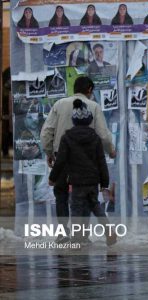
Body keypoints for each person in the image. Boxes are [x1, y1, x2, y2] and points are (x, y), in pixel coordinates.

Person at [40, 76, 115, 244]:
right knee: (88, 198)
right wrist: (111, 150)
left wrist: (49, 152)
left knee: (61, 195)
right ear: (89, 90)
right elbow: (103, 134)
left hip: (63, 157)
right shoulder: (94, 106)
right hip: (87, 162)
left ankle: (63, 233)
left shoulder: (59, 104)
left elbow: (46, 132)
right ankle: (82, 235)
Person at [2, 68, 12, 157]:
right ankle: (5, 151)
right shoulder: (4, 91)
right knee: (5, 132)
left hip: (10, 113)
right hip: (6, 114)